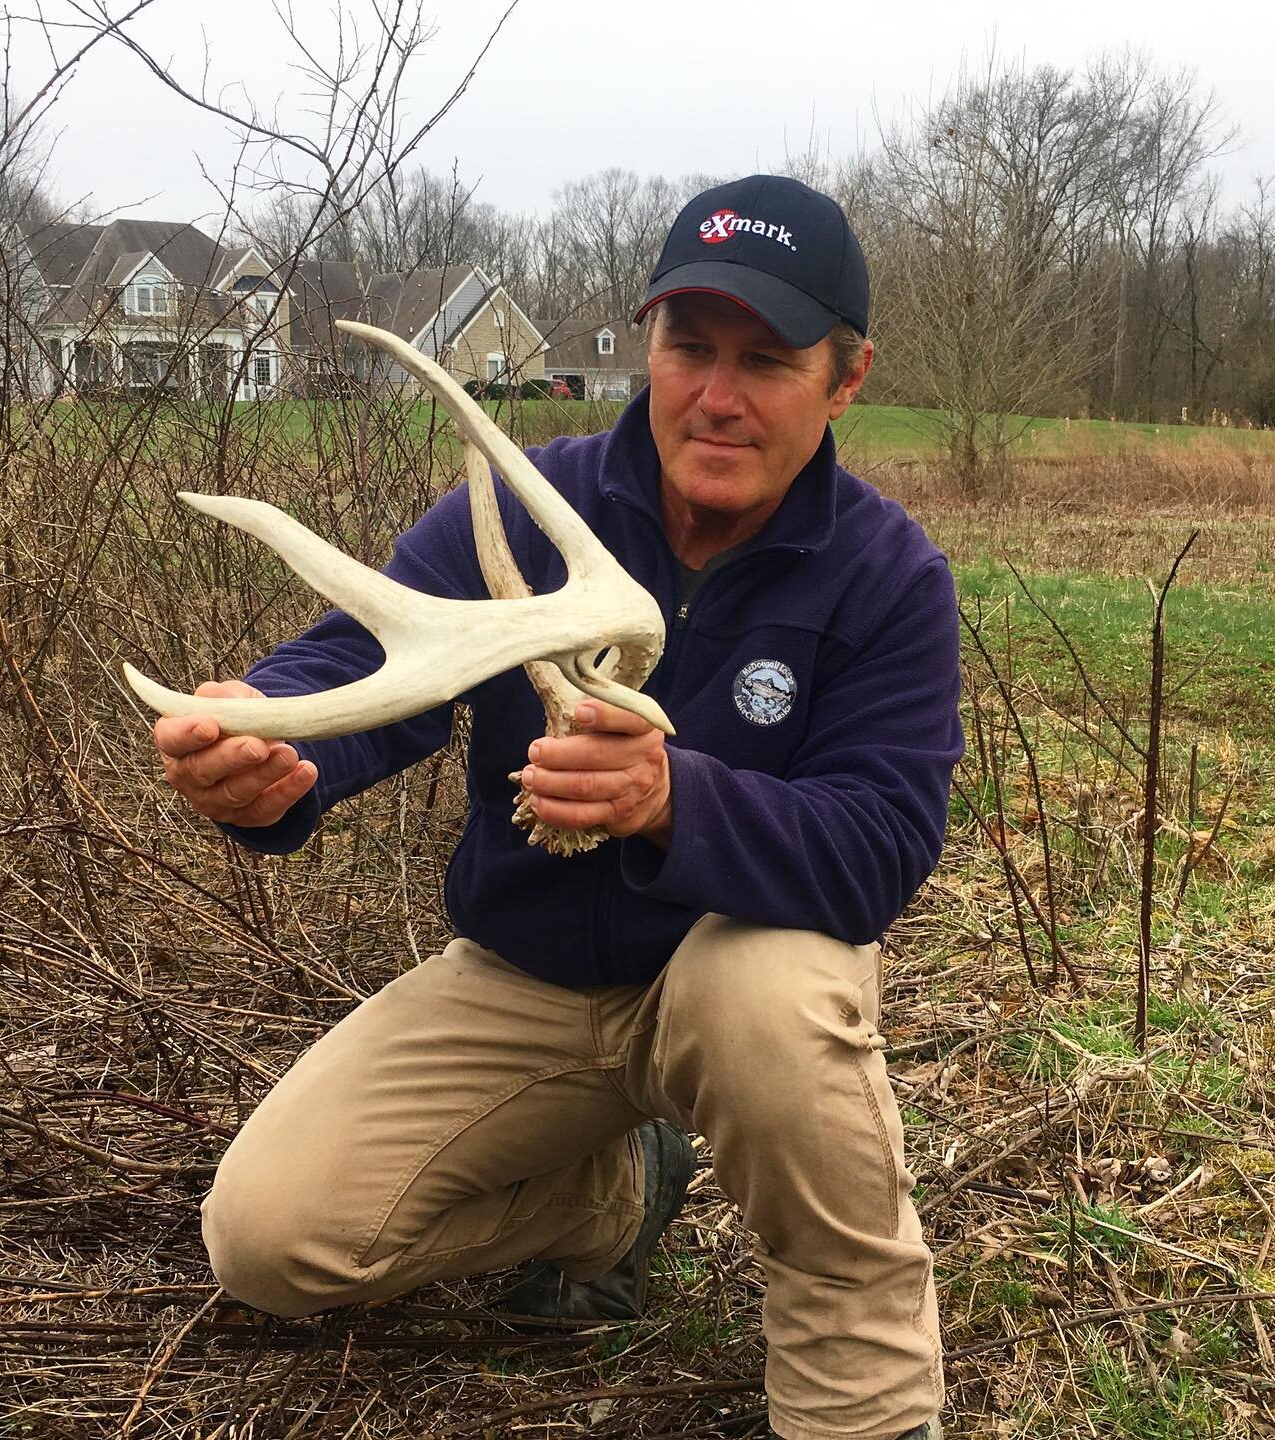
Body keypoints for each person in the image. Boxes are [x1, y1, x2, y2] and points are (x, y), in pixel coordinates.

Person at [152, 174, 962, 1440]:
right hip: (524, 977)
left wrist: (671, 801)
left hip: (731, 970)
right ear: (649, 343)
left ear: (846, 377)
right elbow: (358, 671)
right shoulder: (529, 502)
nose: (717, 395)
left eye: (769, 359)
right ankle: (612, 1199)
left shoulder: (887, 576)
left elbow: (880, 848)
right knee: (267, 1242)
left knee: (767, 1000)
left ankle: (862, 1405)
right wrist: (264, 749)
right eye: (689, 348)